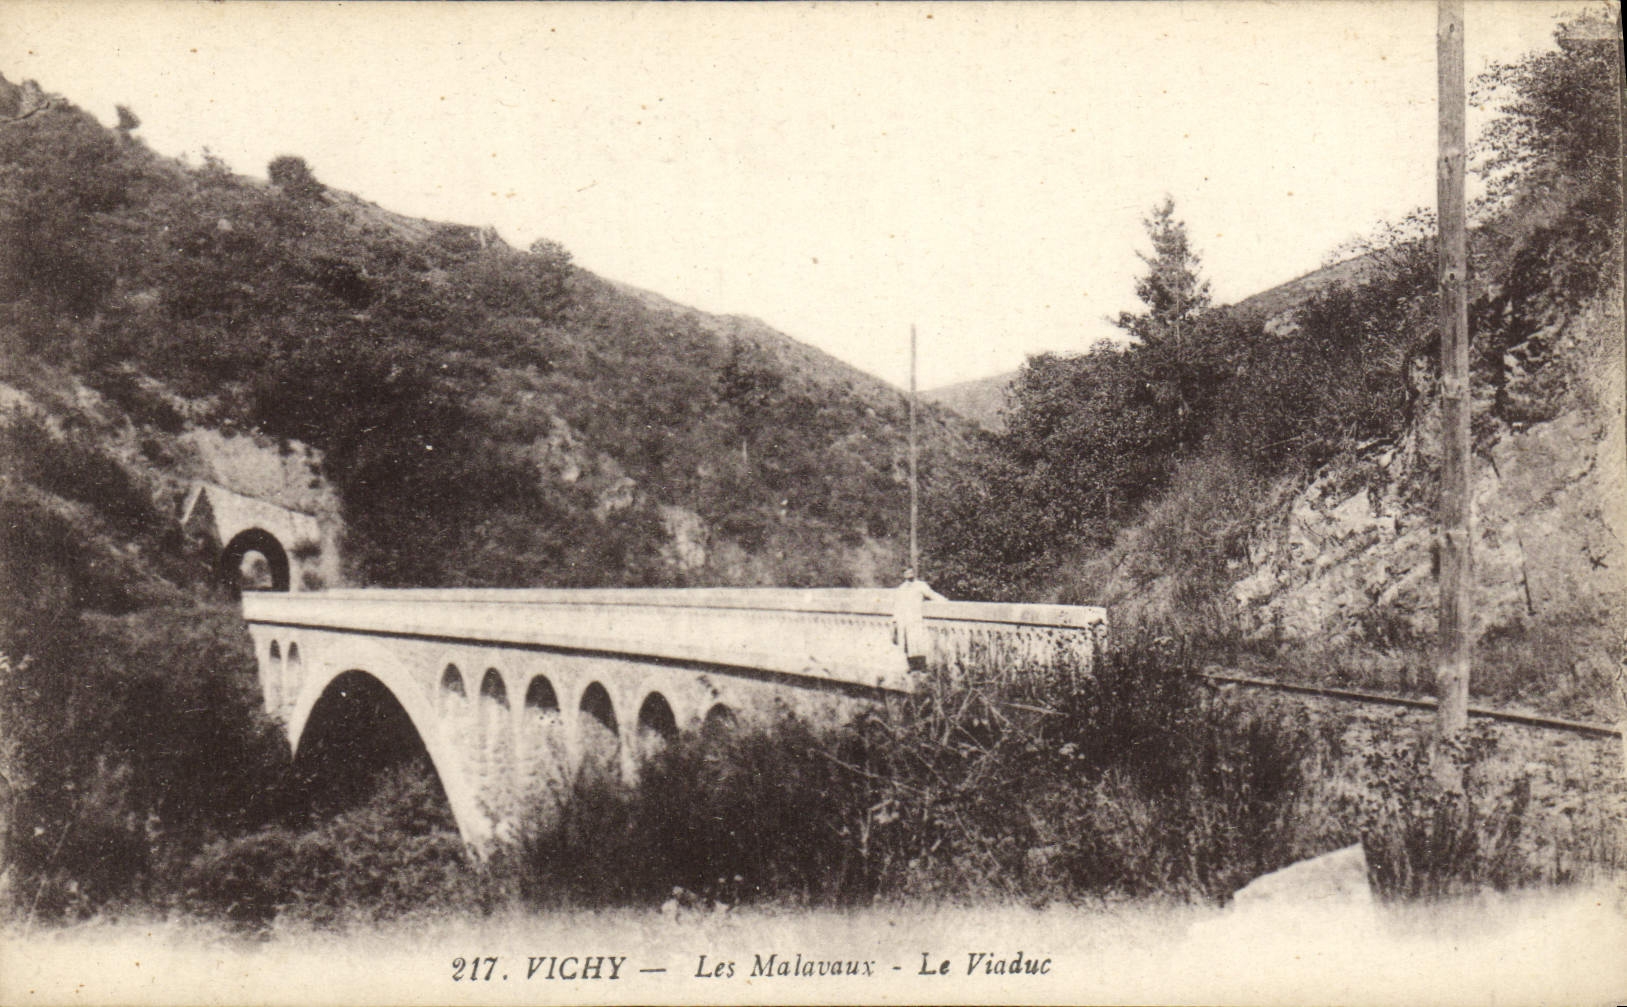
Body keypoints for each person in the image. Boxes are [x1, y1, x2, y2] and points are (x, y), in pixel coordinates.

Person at [893, 570, 945, 672]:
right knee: (907, 644)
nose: (910, 575)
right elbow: (897, 605)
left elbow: (932, 595)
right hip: (904, 619)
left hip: (916, 618)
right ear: (904, 575)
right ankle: (911, 666)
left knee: (919, 642)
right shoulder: (901, 589)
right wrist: (895, 620)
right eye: (907, 573)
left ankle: (922, 666)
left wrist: (945, 602)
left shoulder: (920, 585)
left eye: (911, 572)